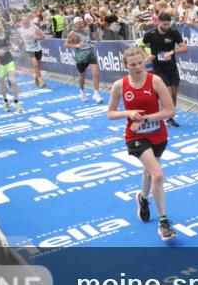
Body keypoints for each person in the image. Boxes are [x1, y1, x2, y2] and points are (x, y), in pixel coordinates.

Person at [106, 46, 176, 240]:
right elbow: (110, 113)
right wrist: (127, 113)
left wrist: (146, 119)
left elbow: (170, 111)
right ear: (126, 66)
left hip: (158, 134)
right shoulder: (120, 85)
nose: (138, 67)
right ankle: (163, 223)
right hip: (135, 136)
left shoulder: (155, 81)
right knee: (158, 174)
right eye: (132, 65)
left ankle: (142, 198)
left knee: (149, 172)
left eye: (140, 63)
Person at [139, 12, 187, 127]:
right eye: (164, 24)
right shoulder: (150, 34)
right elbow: (140, 46)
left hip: (172, 67)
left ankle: (170, 117)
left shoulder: (173, 33)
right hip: (159, 68)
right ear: (158, 22)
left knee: (174, 93)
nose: (167, 27)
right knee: (168, 92)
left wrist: (172, 52)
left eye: (168, 24)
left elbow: (184, 48)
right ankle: (163, 114)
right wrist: (146, 56)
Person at [0, 19, 23, 113]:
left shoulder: (7, 34)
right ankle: (6, 102)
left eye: (0, 25)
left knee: (13, 81)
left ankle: (16, 103)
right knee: (2, 83)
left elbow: (9, 44)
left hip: (9, 60)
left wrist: (13, 47)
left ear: (2, 25)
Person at [64, 16, 103, 103]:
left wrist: (94, 30)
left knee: (96, 73)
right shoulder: (72, 33)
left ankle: (96, 93)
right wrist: (76, 46)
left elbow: (98, 39)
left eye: (82, 23)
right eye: (79, 24)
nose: (81, 25)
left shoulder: (87, 30)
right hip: (80, 58)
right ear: (75, 25)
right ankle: (82, 91)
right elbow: (66, 45)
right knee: (82, 77)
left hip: (90, 54)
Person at [18, 14, 47, 88]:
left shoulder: (35, 28)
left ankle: (36, 76)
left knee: (38, 66)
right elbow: (19, 38)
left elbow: (43, 37)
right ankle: (41, 81)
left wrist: (34, 38)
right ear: (21, 21)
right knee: (35, 65)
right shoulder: (19, 30)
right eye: (23, 20)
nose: (25, 21)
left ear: (29, 20)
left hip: (38, 49)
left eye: (27, 19)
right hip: (29, 49)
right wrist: (21, 41)